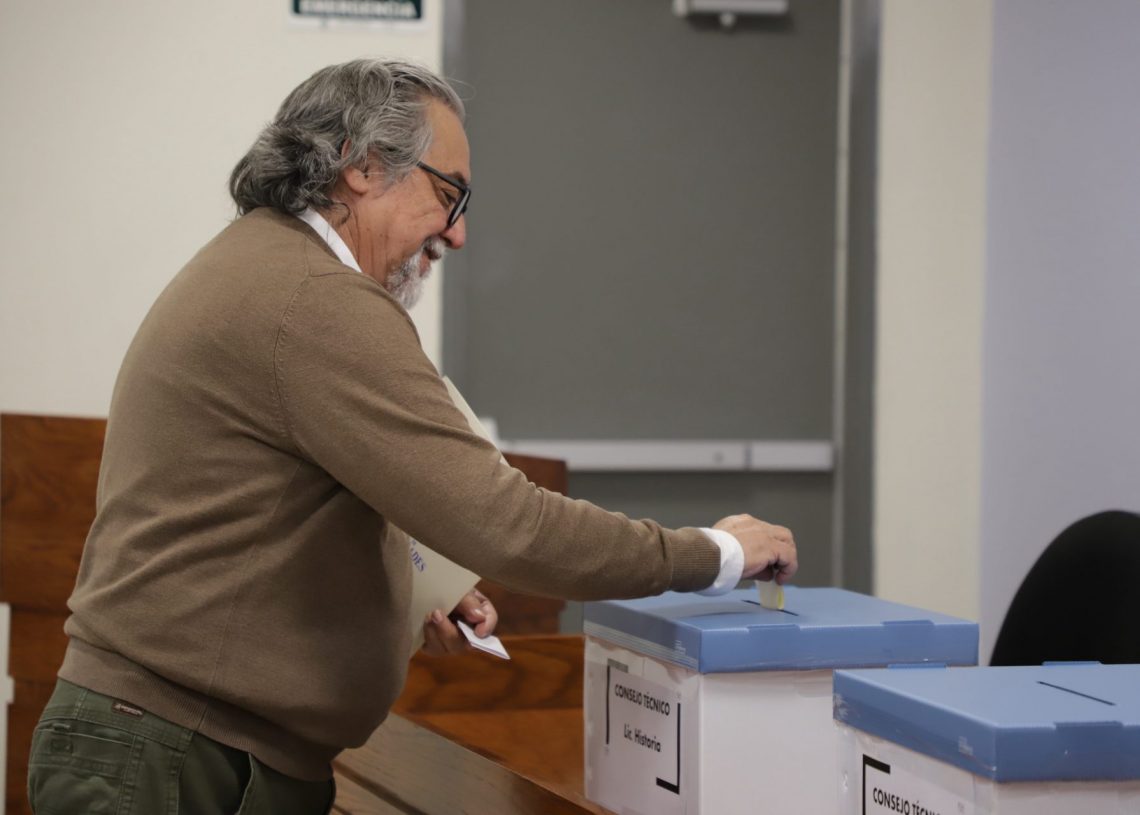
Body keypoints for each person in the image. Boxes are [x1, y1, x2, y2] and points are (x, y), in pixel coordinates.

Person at [27, 59, 797, 815]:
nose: (457, 235)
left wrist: (412, 591)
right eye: (448, 194)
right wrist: (714, 554)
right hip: (178, 755)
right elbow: (511, 525)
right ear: (362, 166)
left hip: (180, 744)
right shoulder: (314, 300)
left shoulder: (268, 265)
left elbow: (274, 511)